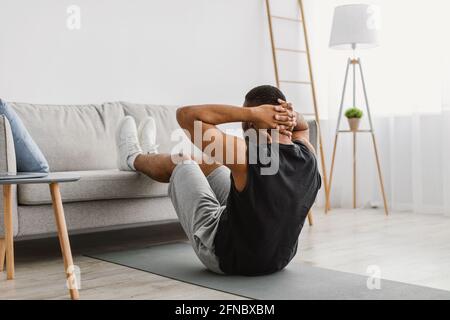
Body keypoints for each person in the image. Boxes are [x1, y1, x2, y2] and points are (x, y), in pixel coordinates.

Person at [116, 85, 321, 276]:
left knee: (183, 162)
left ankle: (131, 158)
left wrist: (253, 113)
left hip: (229, 258)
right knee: (210, 163)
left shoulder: (247, 155)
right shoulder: (308, 154)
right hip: (278, 259)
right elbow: (301, 127)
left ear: (251, 123)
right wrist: (288, 115)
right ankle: (152, 157)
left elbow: (186, 116)